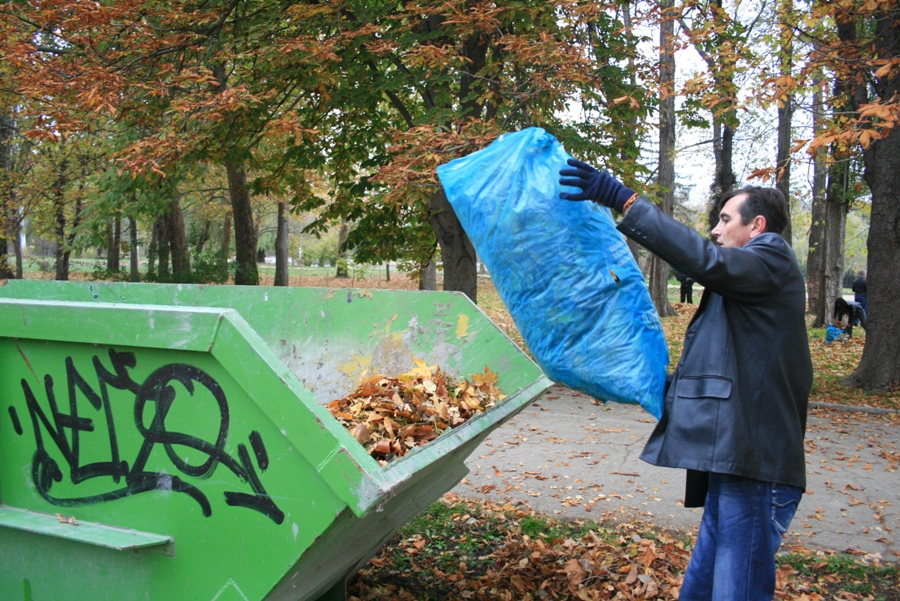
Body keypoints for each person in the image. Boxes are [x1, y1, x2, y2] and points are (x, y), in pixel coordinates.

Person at [559, 159, 812, 601]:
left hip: (755, 462)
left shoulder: (771, 256)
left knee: (737, 590)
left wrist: (625, 199)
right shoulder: (748, 282)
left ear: (757, 225)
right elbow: (724, 359)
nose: (716, 229)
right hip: (735, 459)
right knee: (702, 585)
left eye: (725, 220)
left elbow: (706, 260)